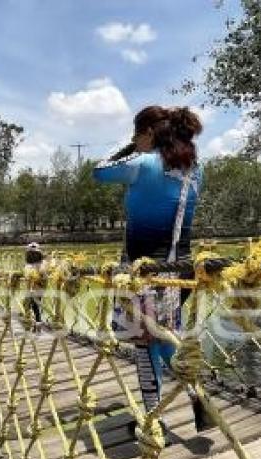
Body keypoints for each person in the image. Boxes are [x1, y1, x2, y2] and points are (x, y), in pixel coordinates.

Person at [93, 105, 212, 435]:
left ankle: (152, 420)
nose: (135, 140)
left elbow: (98, 170)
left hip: (146, 275)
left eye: (137, 133)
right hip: (181, 273)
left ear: (148, 133)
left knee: (144, 345)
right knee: (165, 337)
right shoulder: (194, 170)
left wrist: (134, 146)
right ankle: (196, 395)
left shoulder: (142, 163)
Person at [24, 242, 45, 327]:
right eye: (31, 253)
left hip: (37, 287)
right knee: (31, 304)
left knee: (35, 304)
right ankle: (34, 321)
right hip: (31, 288)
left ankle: (37, 322)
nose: (33, 255)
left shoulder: (41, 264)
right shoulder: (28, 265)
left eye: (35, 253)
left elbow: (44, 275)